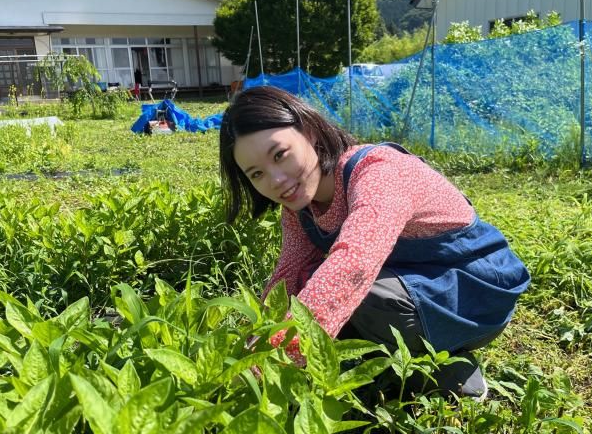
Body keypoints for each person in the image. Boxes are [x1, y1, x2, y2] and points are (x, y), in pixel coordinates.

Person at [219, 86, 530, 399]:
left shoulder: (377, 172)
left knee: (354, 289)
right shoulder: (301, 205)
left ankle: (452, 371)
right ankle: (393, 359)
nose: (276, 180)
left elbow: (354, 265)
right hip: (419, 287)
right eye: (257, 174)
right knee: (307, 280)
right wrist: (253, 342)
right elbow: (286, 277)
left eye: (280, 155)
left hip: (475, 292)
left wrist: (273, 359)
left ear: (310, 132)